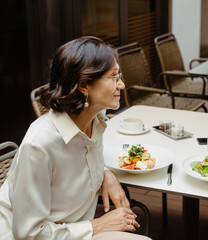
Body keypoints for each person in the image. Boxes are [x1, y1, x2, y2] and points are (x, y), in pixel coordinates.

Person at [0, 36, 150, 240]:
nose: (121, 85)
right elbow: (28, 234)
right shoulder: (39, 145)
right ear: (83, 85)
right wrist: (97, 225)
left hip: (72, 230)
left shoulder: (97, 116)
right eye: (114, 77)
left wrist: (106, 173)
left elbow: (84, 156)